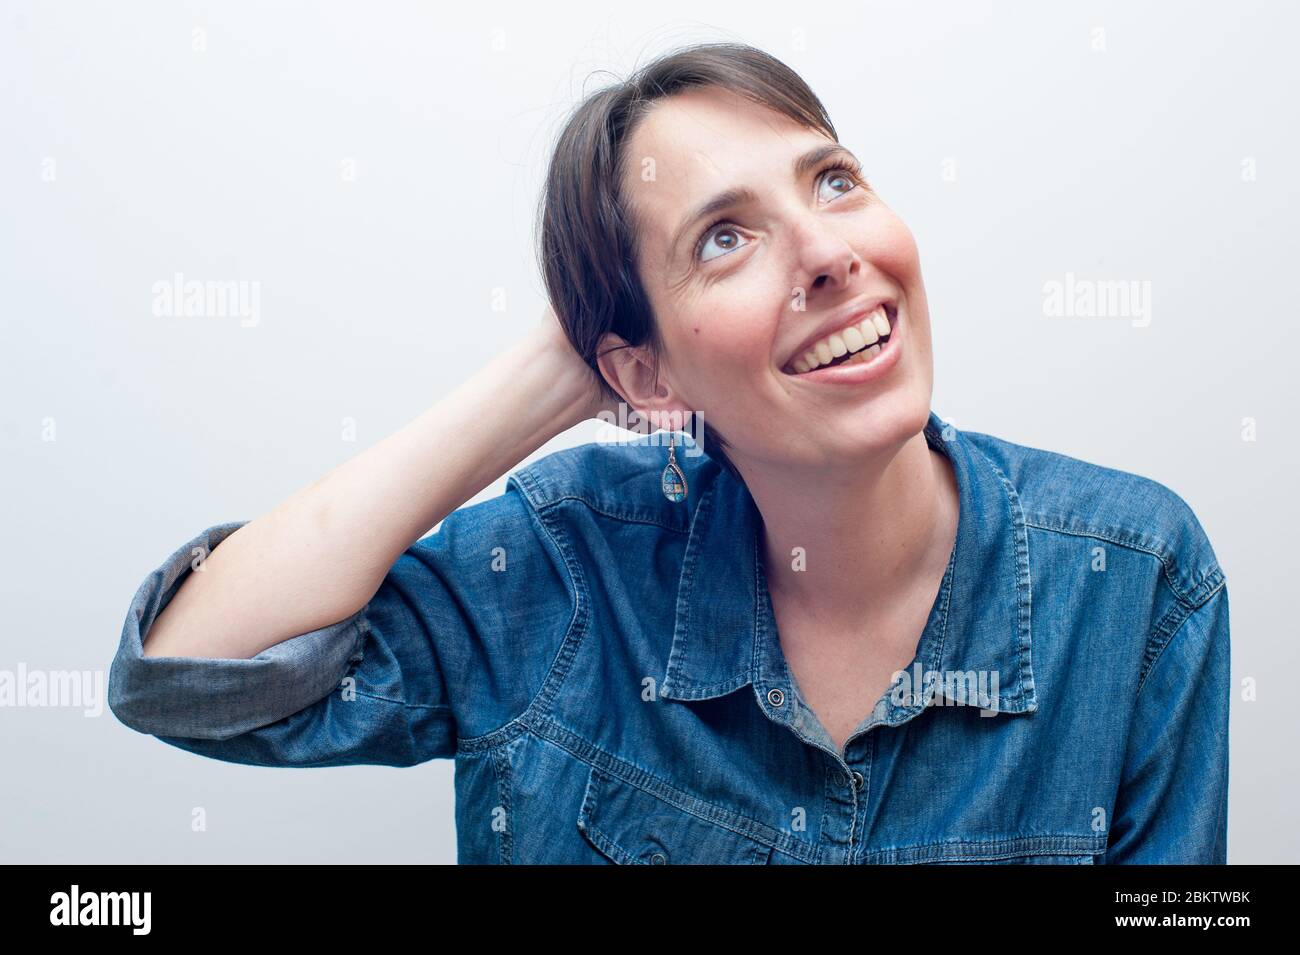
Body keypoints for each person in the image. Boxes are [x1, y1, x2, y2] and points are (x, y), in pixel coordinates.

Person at [108, 42, 1230, 864]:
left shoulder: (1133, 579)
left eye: (832, 180)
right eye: (725, 238)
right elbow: (185, 673)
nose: (830, 251)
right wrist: (548, 376)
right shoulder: (562, 568)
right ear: (642, 376)